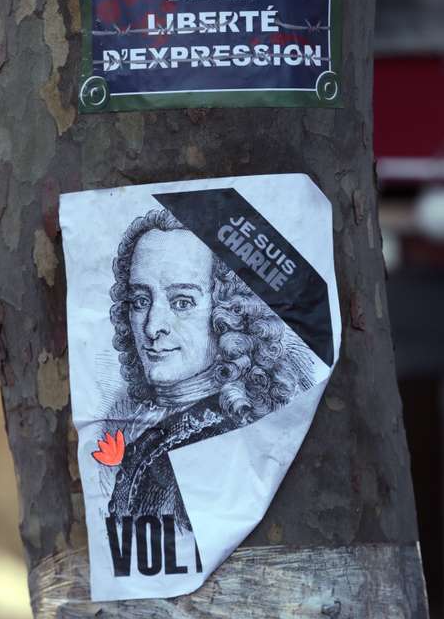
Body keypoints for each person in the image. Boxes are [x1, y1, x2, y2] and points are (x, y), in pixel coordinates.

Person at [104, 208, 314, 531]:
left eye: (182, 303)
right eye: (140, 301)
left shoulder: (216, 445)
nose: (152, 327)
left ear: (228, 312)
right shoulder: (163, 435)